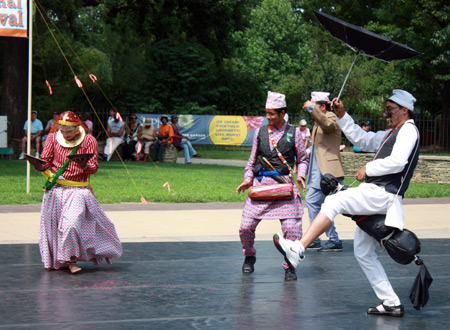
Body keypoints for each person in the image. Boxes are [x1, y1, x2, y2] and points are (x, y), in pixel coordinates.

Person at [273, 89, 419, 316]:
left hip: (383, 194)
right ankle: (391, 302)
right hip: (377, 192)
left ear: (405, 110)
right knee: (363, 252)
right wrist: (342, 115)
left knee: (335, 200)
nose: (386, 114)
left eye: (390, 110)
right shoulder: (392, 132)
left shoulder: (408, 130)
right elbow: (363, 138)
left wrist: (368, 168)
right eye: (386, 109)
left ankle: (298, 248)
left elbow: (399, 162)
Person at [32, 111, 122, 274]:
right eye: (62, 130)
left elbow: (94, 167)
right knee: (52, 228)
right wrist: (39, 165)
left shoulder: (89, 140)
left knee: (71, 225)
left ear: (77, 128)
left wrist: (84, 166)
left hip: (78, 190)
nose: (66, 134)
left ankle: (71, 260)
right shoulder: (53, 138)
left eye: (69, 131)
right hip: (56, 191)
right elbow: (46, 160)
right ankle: (58, 262)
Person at [236, 91, 309, 281]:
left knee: (293, 230)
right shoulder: (260, 133)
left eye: (272, 113)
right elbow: (251, 161)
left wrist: (301, 175)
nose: (268, 117)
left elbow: (302, 159)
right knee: (245, 227)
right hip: (261, 188)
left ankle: (290, 266)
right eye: (266, 113)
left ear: (283, 113)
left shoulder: (295, 134)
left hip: (285, 188)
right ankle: (249, 256)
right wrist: (247, 178)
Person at [303, 92, 345, 251]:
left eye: (314, 106)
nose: (310, 111)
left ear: (321, 106)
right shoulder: (317, 121)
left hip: (328, 172)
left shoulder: (332, 118)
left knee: (332, 206)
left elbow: (326, 125)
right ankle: (317, 237)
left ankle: (333, 239)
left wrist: (311, 107)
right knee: (313, 201)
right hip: (316, 172)